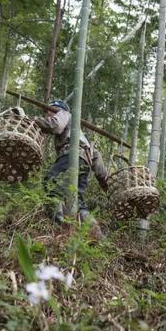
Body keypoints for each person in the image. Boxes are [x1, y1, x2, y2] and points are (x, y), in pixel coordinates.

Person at [33, 99, 108, 239]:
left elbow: (56, 126)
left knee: (51, 184)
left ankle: (59, 226)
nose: (47, 114)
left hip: (71, 155)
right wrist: (105, 183)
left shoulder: (64, 113)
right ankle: (99, 237)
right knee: (77, 200)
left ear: (56, 109)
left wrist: (33, 121)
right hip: (84, 161)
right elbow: (96, 157)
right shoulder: (82, 136)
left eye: (48, 111)